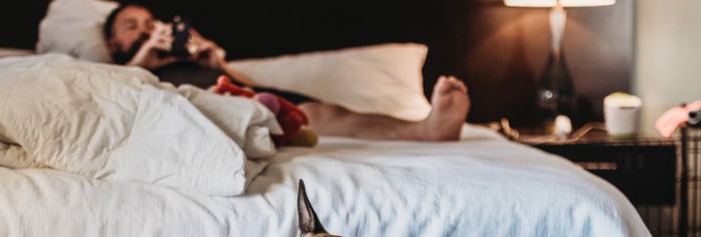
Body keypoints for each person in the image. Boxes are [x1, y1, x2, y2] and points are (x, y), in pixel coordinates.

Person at [102, 2, 470, 142]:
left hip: (240, 98)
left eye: (151, 22)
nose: (148, 29)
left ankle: (426, 129)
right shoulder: (111, 71)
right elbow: (114, 100)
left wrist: (217, 66)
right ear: (115, 44)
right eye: (133, 26)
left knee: (320, 112)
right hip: (192, 111)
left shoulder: (189, 61)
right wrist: (145, 58)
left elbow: (250, 90)